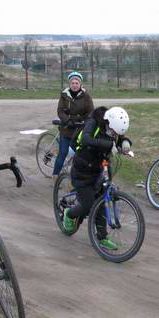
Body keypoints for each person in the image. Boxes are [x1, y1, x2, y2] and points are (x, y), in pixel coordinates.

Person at [61, 106, 132, 249]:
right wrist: (108, 144)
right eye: (113, 131)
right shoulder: (93, 123)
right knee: (88, 205)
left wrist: (125, 143)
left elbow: (118, 138)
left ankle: (102, 237)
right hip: (83, 170)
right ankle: (69, 214)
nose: (114, 134)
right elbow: (86, 139)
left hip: (100, 168)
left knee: (102, 199)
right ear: (109, 122)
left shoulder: (114, 128)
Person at [52, 71, 93, 177]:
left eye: (77, 83)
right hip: (66, 129)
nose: (75, 85)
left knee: (79, 155)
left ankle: (77, 176)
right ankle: (55, 174)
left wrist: (85, 121)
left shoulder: (86, 96)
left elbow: (91, 112)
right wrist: (67, 120)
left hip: (79, 130)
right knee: (63, 153)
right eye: (72, 83)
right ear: (69, 84)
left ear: (80, 84)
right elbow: (60, 111)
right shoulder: (64, 95)